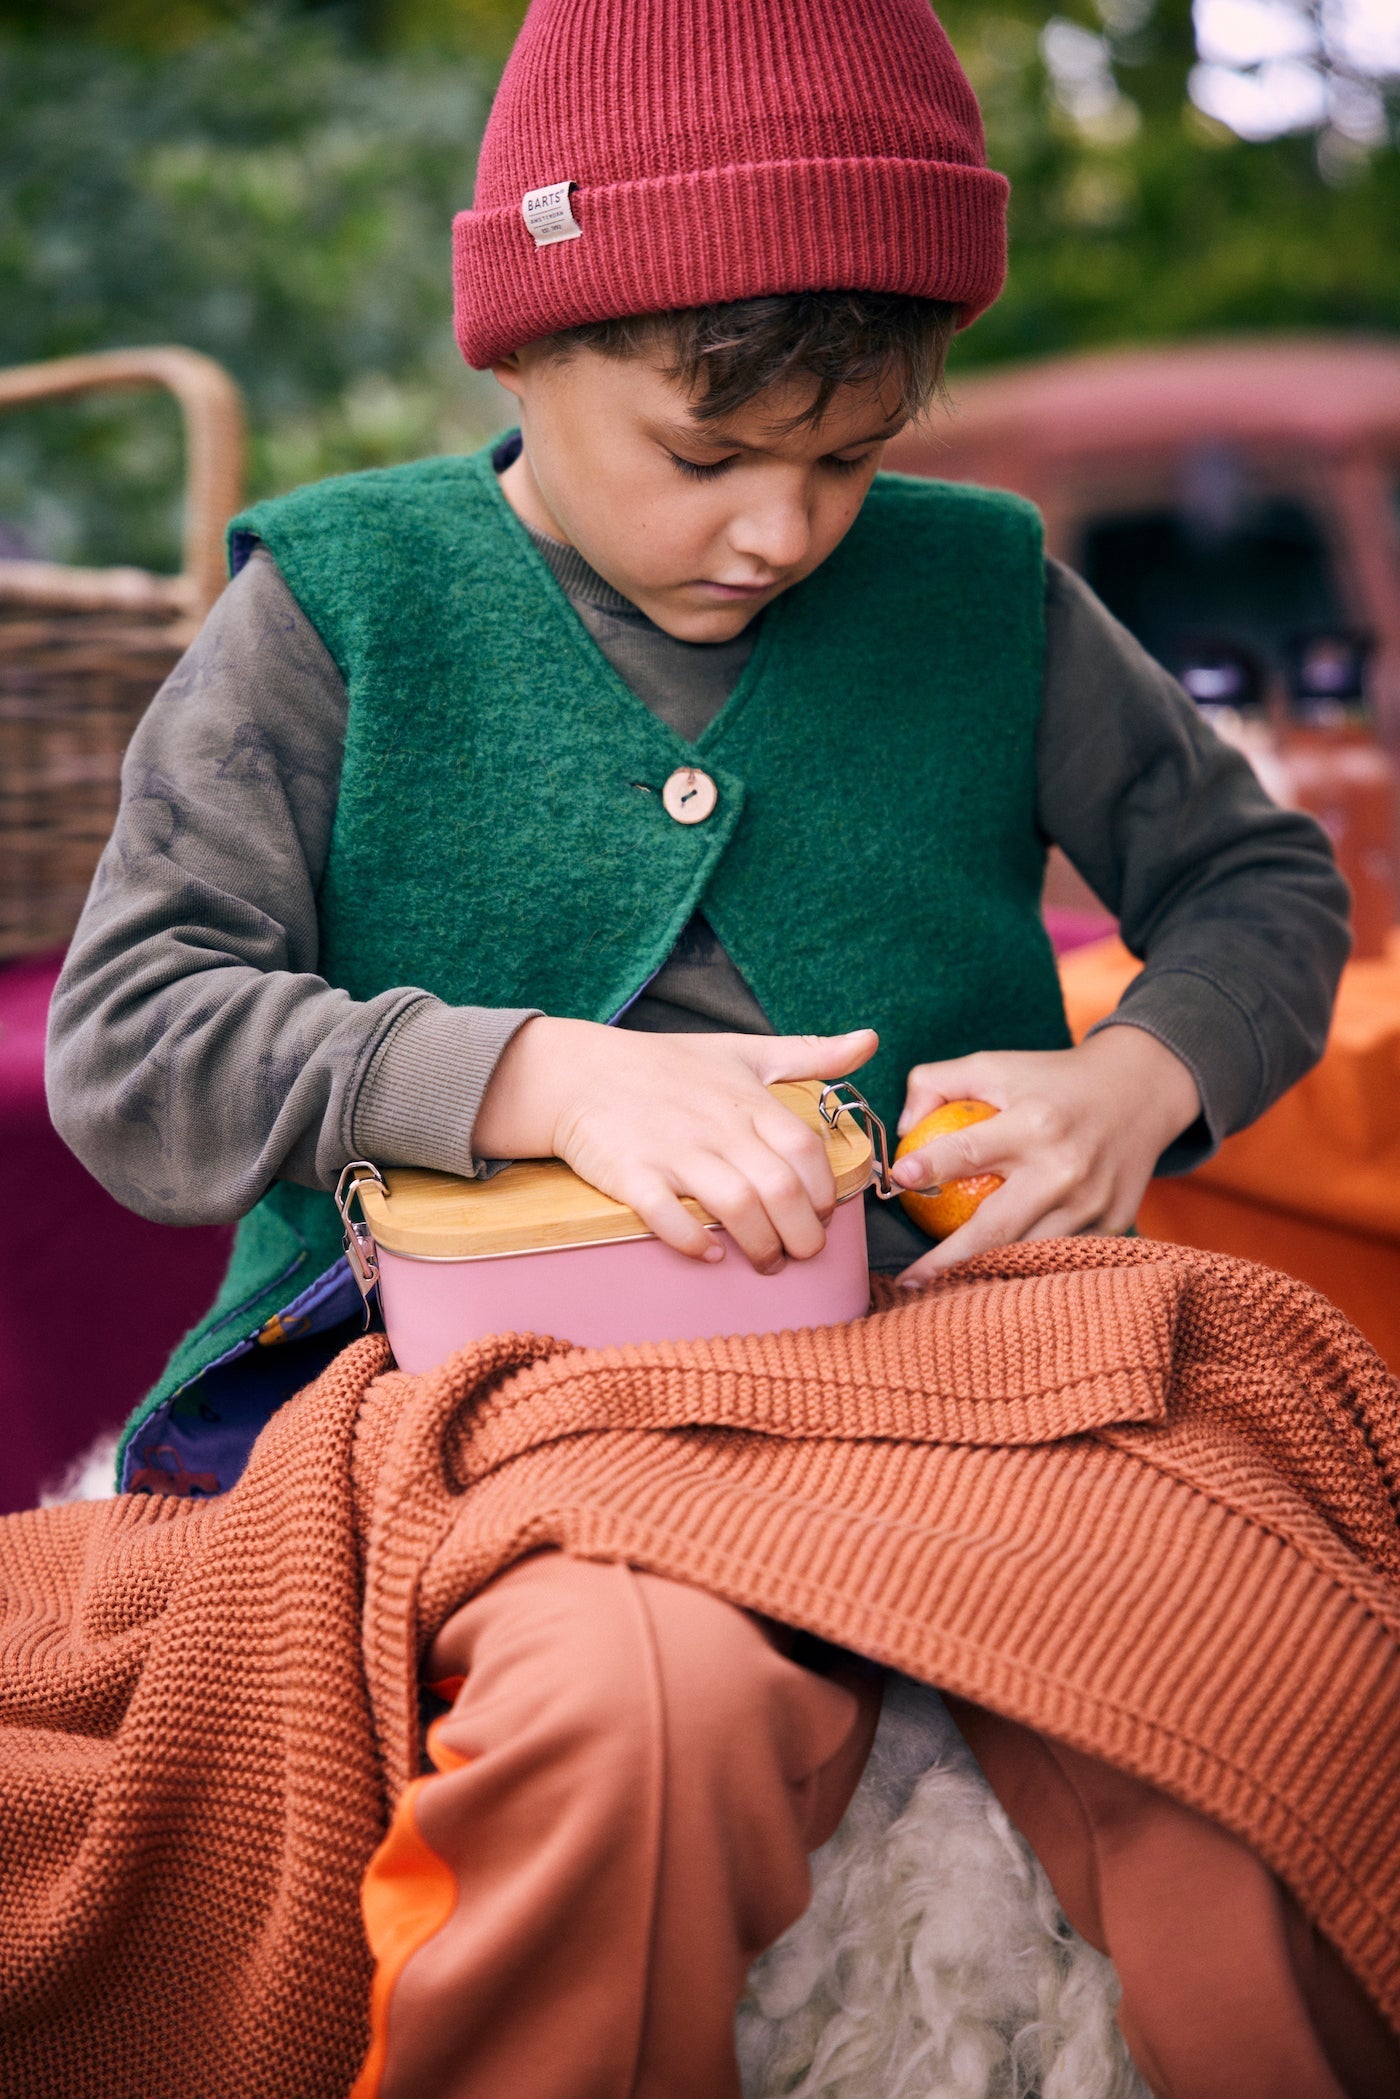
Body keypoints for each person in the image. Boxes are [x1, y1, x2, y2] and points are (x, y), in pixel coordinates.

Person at [45, 1, 1373, 2093]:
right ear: (521, 348)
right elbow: (134, 1043)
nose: (780, 530)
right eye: (705, 455)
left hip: (966, 1359)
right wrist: (535, 1076)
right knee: (629, 1721)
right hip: (491, 1391)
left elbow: (1263, 892)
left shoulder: (990, 595)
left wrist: (1140, 1080)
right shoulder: (341, 608)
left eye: (848, 459)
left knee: (1235, 1690)